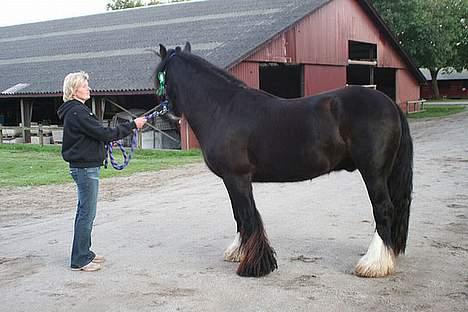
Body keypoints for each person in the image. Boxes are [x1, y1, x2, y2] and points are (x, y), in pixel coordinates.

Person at [57, 71, 146, 272]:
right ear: (74, 90)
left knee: (85, 211)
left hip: (85, 166)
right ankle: (80, 259)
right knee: (87, 213)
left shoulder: (77, 111)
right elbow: (103, 133)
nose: (89, 88)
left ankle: (84, 252)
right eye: (85, 85)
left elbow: (95, 135)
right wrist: (132, 125)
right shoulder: (77, 112)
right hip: (85, 168)